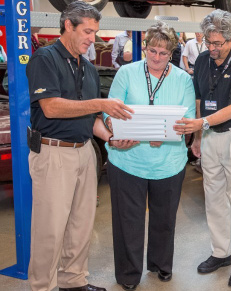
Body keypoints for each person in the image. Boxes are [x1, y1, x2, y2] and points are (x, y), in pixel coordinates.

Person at [25, 2, 133, 291]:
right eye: (86, 31)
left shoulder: (87, 66)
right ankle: (42, 287)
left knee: (81, 224)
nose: (91, 39)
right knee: (50, 229)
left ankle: (73, 281)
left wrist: (110, 137)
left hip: (85, 151)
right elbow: (50, 107)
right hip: (54, 153)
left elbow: (93, 116)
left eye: (94, 32)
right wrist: (102, 103)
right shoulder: (44, 59)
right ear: (68, 26)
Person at [104, 21, 196, 291]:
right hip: (127, 160)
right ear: (144, 48)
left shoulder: (183, 80)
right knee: (127, 222)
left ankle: (160, 264)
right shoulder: (127, 74)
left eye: (163, 53)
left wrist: (171, 132)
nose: (157, 58)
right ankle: (128, 274)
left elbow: (188, 119)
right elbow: (109, 111)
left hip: (169, 163)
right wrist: (112, 126)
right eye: (152, 51)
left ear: (172, 53)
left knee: (164, 219)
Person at [173, 9, 231, 288]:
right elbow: (199, 99)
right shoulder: (202, 61)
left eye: (217, 43)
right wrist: (198, 136)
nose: (212, 48)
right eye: (208, 42)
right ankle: (220, 252)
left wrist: (201, 123)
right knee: (214, 196)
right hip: (209, 135)